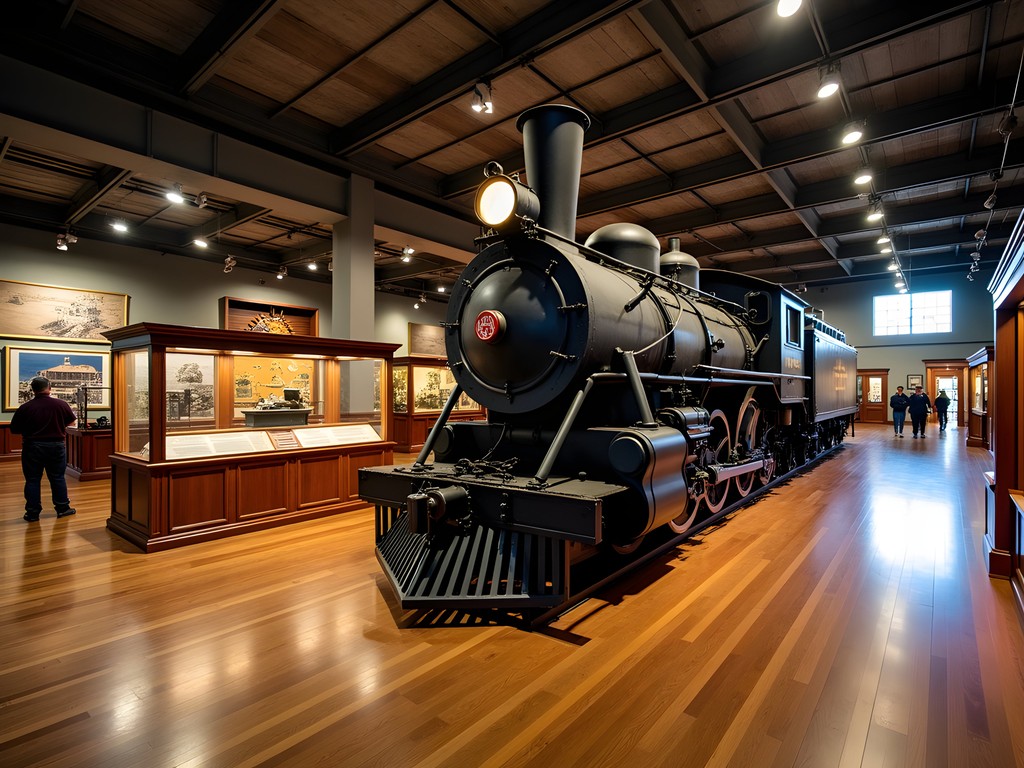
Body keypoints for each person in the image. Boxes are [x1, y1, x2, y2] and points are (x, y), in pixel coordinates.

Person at [10, 376, 77, 522]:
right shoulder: (61, 404)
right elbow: (71, 423)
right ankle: (62, 508)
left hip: (32, 447)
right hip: (57, 446)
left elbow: (14, 429)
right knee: (58, 478)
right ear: (49, 388)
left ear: (32, 390)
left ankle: (32, 513)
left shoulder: (25, 407)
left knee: (32, 480)